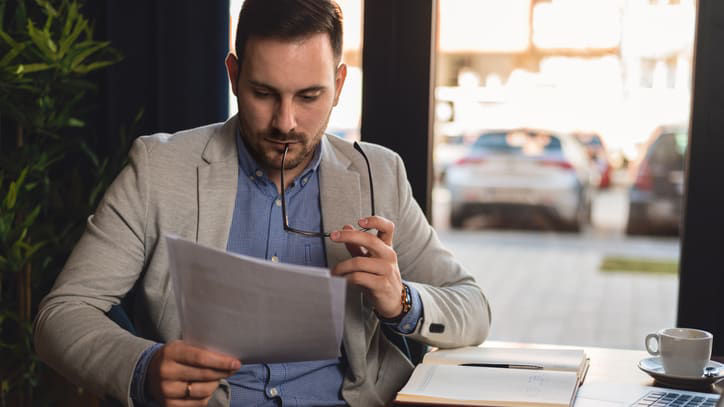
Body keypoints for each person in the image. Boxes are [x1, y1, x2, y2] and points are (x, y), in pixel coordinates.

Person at [33, 0, 491, 406]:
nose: (285, 122)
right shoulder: (159, 168)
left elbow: (472, 307)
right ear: (233, 76)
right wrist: (145, 367)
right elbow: (61, 315)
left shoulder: (379, 173)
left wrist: (402, 299)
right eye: (264, 93)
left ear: (339, 83)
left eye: (310, 96)